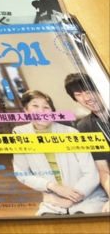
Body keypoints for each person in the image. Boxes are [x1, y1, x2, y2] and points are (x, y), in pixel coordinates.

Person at [12, 89, 107, 215]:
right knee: (46, 223)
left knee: (84, 220)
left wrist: (71, 199)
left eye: (46, 107)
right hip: (54, 201)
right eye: (35, 106)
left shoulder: (71, 133)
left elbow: (91, 173)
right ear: (26, 111)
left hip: (86, 197)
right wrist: (52, 186)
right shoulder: (20, 133)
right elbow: (23, 174)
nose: (41, 111)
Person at [64, 73, 110, 212]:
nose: (86, 98)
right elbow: (103, 169)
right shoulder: (84, 126)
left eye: (89, 91)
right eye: (78, 94)